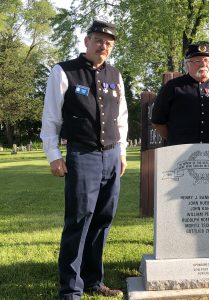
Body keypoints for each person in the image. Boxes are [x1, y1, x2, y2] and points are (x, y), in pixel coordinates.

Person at [40, 20, 128, 299]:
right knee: (79, 220)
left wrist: (122, 151)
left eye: (109, 43)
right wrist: (53, 155)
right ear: (87, 41)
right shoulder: (64, 71)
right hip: (82, 154)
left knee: (103, 219)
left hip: (112, 154)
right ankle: (71, 288)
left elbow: (122, 115)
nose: (104, 46)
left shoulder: (115, 74)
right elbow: (52, 116)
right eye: (99, 40)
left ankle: (93, 281)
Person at [151, 42, 209, 145]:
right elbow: (158, 122)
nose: (203, 64)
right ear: (187, 64)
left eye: (207, 60)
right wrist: (175, 139)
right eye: (198, 61)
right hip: (179, 153)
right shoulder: (172, 87)